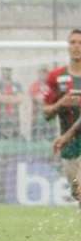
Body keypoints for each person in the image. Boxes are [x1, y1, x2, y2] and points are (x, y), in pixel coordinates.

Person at [47, 29, 81, 208]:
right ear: (68, 46)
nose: (76, 46)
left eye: (80, 43)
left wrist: (67, 135)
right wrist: (60, 103)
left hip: (69, 137)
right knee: (77, 192)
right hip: (69, 147)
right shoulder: (56, 76)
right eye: (73, 42)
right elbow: (46, 114)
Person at [0, 66, 24, 141]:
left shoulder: (17, 84)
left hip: (14, 116)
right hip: (0, 116)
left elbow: (20, 99)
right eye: (5, 69)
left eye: (9, 70)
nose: (7, 72)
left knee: (15, 137)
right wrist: (12, 98)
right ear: (2, 70)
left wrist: (4, 98)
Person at [29, 66, 57, 141]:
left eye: (45, 73)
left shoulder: (51, 84)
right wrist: (47, 99)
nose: (43, 75)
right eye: (41, 73)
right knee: (38, 135)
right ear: (38, 74)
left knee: (51, 135)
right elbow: (37, 98)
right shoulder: (35, 85)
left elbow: (55, 96)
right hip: (38, 115)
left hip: (51, 115)